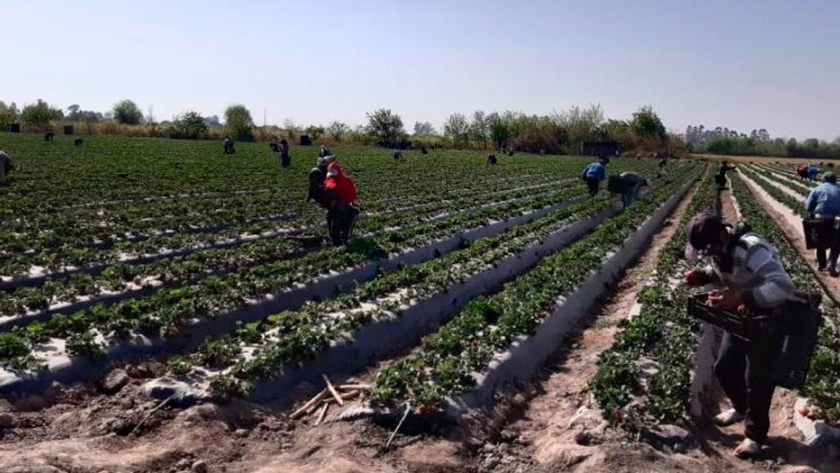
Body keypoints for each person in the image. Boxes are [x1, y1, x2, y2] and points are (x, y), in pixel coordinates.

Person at [683, 213, 797, 459]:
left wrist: (739, 298)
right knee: (724, 365)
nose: (709, 254)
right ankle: (740, 407)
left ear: (723, 235)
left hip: (769, 316)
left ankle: (755, 437)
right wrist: (703, 276)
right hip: (743, 313)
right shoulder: (718, 249)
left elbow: (784, 287)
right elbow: (728, 273)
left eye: (710, 248)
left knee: (758, 377)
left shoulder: (752, 248)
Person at [805, 172, 840, 276]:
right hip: (837, 218)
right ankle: (832, 264)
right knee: (837, 242)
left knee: (819, 240)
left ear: (823, 179)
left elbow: (809, 208)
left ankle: (821, 264)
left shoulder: (817, 189)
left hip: (820, 217)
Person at [324, 161, 360, 245]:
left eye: (334, 174)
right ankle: (336, 238)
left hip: (343, 205)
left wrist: (343, 201)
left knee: (343, 219)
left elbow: (352, 195)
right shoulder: (329, 180)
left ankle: (343, 236)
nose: (332, 176)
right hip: (334, 206)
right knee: (330, 219)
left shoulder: (346, 182)